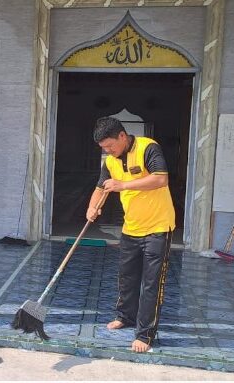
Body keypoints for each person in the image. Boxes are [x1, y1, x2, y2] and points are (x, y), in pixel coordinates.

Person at [86, 116, 175, 353]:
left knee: (151, 284)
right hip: (131, 228)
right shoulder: (111, 161)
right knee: (127, 277)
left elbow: (160, 179)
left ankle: (145, 334)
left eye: (110, 146)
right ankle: (125, 316)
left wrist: (123, 185)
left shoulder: (148, 147)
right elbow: (100, 187)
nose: (107, 151)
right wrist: (92, 207)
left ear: (122, 136)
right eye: (103, 148)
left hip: (158, 227)